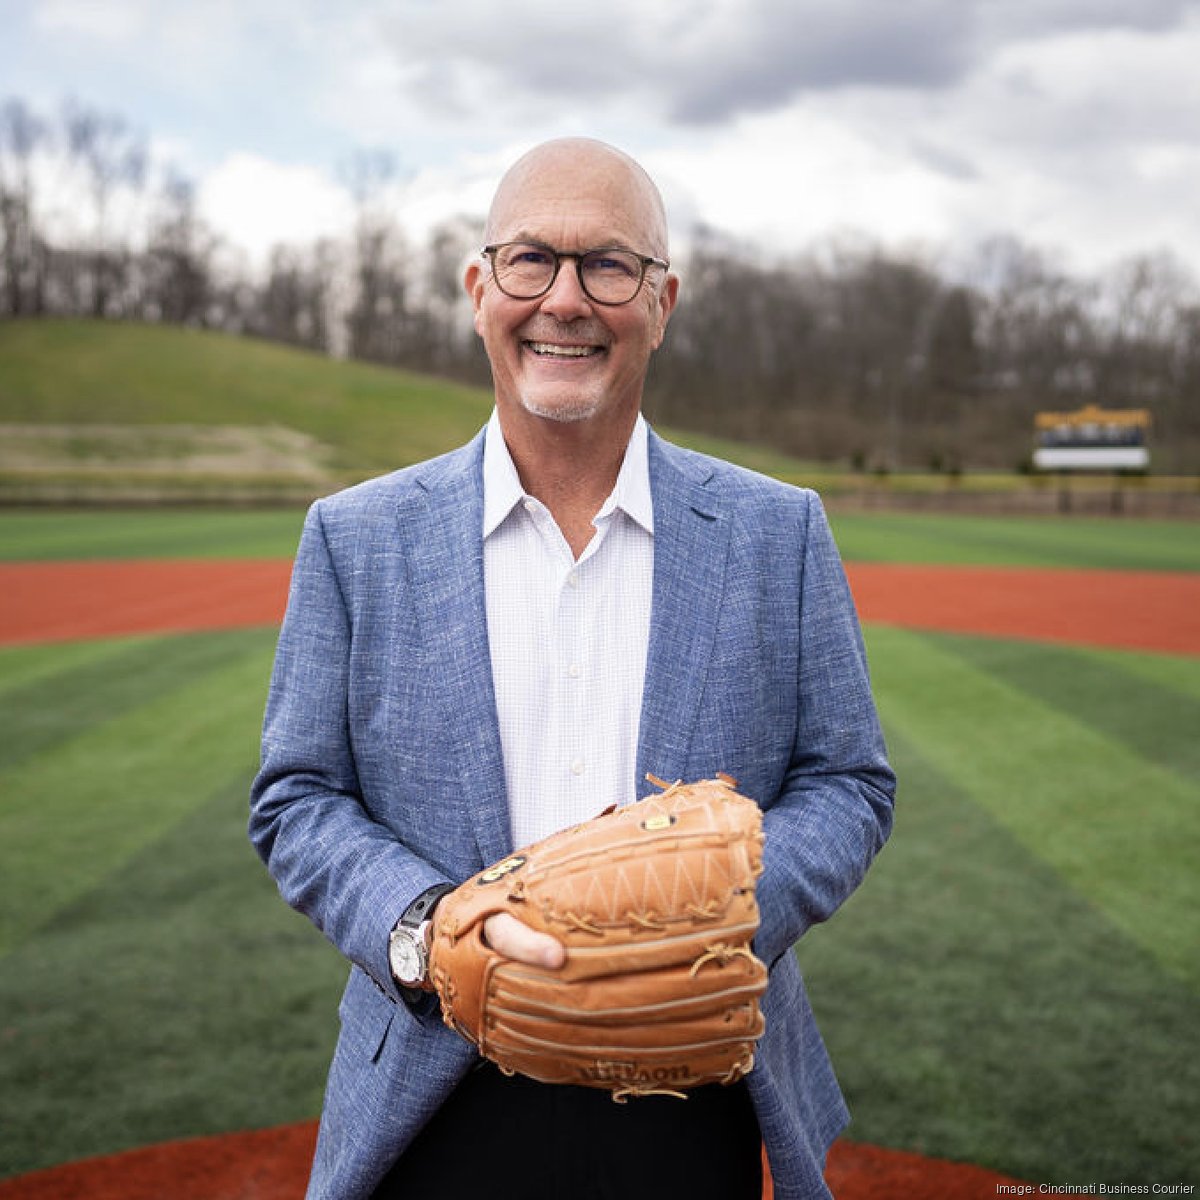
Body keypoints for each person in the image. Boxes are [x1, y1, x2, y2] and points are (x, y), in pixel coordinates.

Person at [250, 137, 895, 1200]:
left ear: (663, 299)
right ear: (478, 289)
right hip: (434, 1096)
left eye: (608, 265)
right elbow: (298, 798)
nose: (565, 298)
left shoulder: (777, 532)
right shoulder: (353, 538)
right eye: (530, 261)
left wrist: (713, 916)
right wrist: (430, 938)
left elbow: (850, 782)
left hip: (694, 1095)